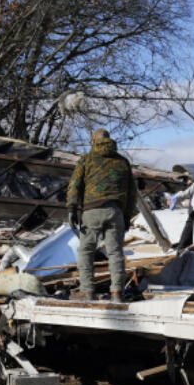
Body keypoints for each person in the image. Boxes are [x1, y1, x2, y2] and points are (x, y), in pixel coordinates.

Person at [66, 128, 137, 301]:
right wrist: (126, 217)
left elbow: (74, 185)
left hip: (92, 211)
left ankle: (87, 291)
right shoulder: (122, 162)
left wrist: (71, 209)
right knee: (115, 253)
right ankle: (117, 293)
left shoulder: (86, 160)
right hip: (116, 211)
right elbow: (131, 193)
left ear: (93, 141)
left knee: (86, 251)